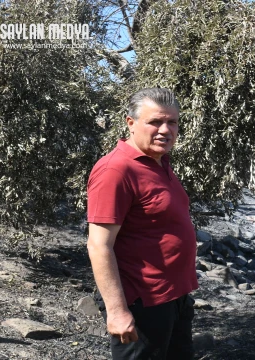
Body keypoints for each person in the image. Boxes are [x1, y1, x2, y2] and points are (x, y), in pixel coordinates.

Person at [87, 88, 198, 360]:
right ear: (130, 123)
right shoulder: (116, 170)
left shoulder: (159, 162)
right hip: (143, 302)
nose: (165, 130)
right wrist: (116, 311)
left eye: (172, 122)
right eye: (155, 122)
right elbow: (99, 245)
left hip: (175, 296)